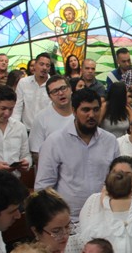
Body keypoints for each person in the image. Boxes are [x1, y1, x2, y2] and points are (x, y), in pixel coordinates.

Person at [35, 88, 120, 220]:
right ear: (74, 111)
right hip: (69, 220)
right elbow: (43, 187)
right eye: (86, 110)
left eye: (96, 109)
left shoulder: (110, 141)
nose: (91, 115)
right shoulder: (55, 142)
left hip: (104, 216)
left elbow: (117, 180)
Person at [28, 75, 74, 164]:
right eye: (55, 91)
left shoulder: (81, 113)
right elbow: (36, 152)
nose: (60, 93)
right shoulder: (41, 118)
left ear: (70, 89)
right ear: (50, 97)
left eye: (63, 88)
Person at [13, 53, 51, 131]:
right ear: (35, 66)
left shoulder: (53, 84)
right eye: (41, 64)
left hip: (48, 130)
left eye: (47, 65)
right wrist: (15, 128)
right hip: (27, 130)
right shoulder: (23, 82)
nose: (44, 68)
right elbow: (17, 108)